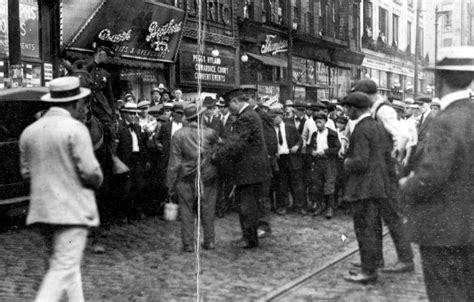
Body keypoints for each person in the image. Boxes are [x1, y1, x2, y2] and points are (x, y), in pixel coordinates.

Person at [400, 46, 474, 301]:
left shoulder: (445, 120)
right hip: (468, 225)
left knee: (445, 292)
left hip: (442, 228)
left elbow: (432, 176)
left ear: (440, 80)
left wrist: (407, 184)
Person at [19, 77, 103, 301]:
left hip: (42, 210)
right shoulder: (75, 129)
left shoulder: (30, 131)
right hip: (72, 211)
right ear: (75, 104)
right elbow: (91, 172)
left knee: (67, 267)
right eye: (82, 104)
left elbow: (26, 173)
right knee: (63, 268)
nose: (83, 108)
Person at [351, 79, 414, 273]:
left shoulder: (383, 110)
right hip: (379, 172)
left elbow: (402, 135)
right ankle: (375, 258)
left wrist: (394, 155)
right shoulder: (375, 109)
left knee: (392, 215)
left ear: (368, 95)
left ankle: (406, 259)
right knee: (373, 217)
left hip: (386, 172)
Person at [340, 92, 391, 284]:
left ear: (354, 108)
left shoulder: (361, 128)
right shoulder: (376, 125)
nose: (345, 112)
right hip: (377, 184)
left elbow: (360, 162)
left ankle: (368, 271)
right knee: (371, 227)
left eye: (346, 108)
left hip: (363, 187)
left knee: (364, 229)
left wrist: (346, 162)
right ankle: (372, 263)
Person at [214, 88, 271, 248]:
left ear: (235, 102)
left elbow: (237, 143)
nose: (228, 109)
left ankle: (250, 239)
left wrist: (216, 155)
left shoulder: (245, 117)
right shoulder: (248, 115)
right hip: (251, 170)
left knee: (247, 206)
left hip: (248, 171)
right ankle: (248, 236)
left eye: (228, 105)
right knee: (246, 205)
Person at [167, 103, 220, 253]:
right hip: (207, 176)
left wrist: (170, 184)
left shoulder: (178, 135)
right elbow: (220, 150)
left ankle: (188, 244)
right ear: (200, 116)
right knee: (208, 209)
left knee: (186, 210)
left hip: (186, 177)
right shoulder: (211, 133)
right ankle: (209, 241)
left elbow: (174, 163)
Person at [116, 102, 150, 221]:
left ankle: (135, 213)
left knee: (138, 186)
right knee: (125, 188)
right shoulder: (119, 127)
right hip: (125, 160)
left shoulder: (137, 127)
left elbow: (141, 144)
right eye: (130, 113)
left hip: (137, 159)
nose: (133, 116)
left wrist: (145, 159)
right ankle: (123, 214)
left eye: (134, 113)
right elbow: (117, 148)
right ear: (124, 114)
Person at [269, 105, 306, 216]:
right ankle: (283, 206)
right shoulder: (270, 130)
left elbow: (300, 140)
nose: (272, 119)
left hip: (292, 157)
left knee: (296, 183)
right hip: (280, 159)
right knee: (282, 184)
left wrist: (296, 146)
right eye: (271, 117)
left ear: (280, 116)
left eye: (274, 117)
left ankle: (299, 206)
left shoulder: (290, 127)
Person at [308, 112, 340, 218]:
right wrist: (312, 151)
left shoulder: (332, 134)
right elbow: (310, 147)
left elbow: (337, 148)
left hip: (328, 162)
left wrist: (325, 152)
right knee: (317, 184)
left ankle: (330, 207)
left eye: (320, 122)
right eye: (316, 122)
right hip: (317, 162)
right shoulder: (314, 134)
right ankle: (320, 205)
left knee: (329, 184)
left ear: (325, 122)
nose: (318, 124)